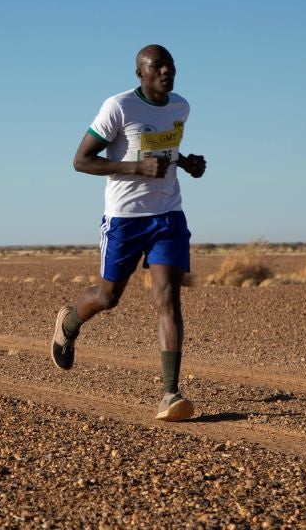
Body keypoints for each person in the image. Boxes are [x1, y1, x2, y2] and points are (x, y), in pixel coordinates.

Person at [51, 44, 207, 422]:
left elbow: (166, 150)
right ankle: (68, 322)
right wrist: (136, 168)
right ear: (140, 73)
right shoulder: (118, 107)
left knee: (167, 297)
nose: (166, 71)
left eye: (170, 64)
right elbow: (81, 161)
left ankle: (170, 394)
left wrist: (187, 163)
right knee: (108, 297)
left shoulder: (180, 106)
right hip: (125, 218)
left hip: (168, 214)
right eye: (156, 66)